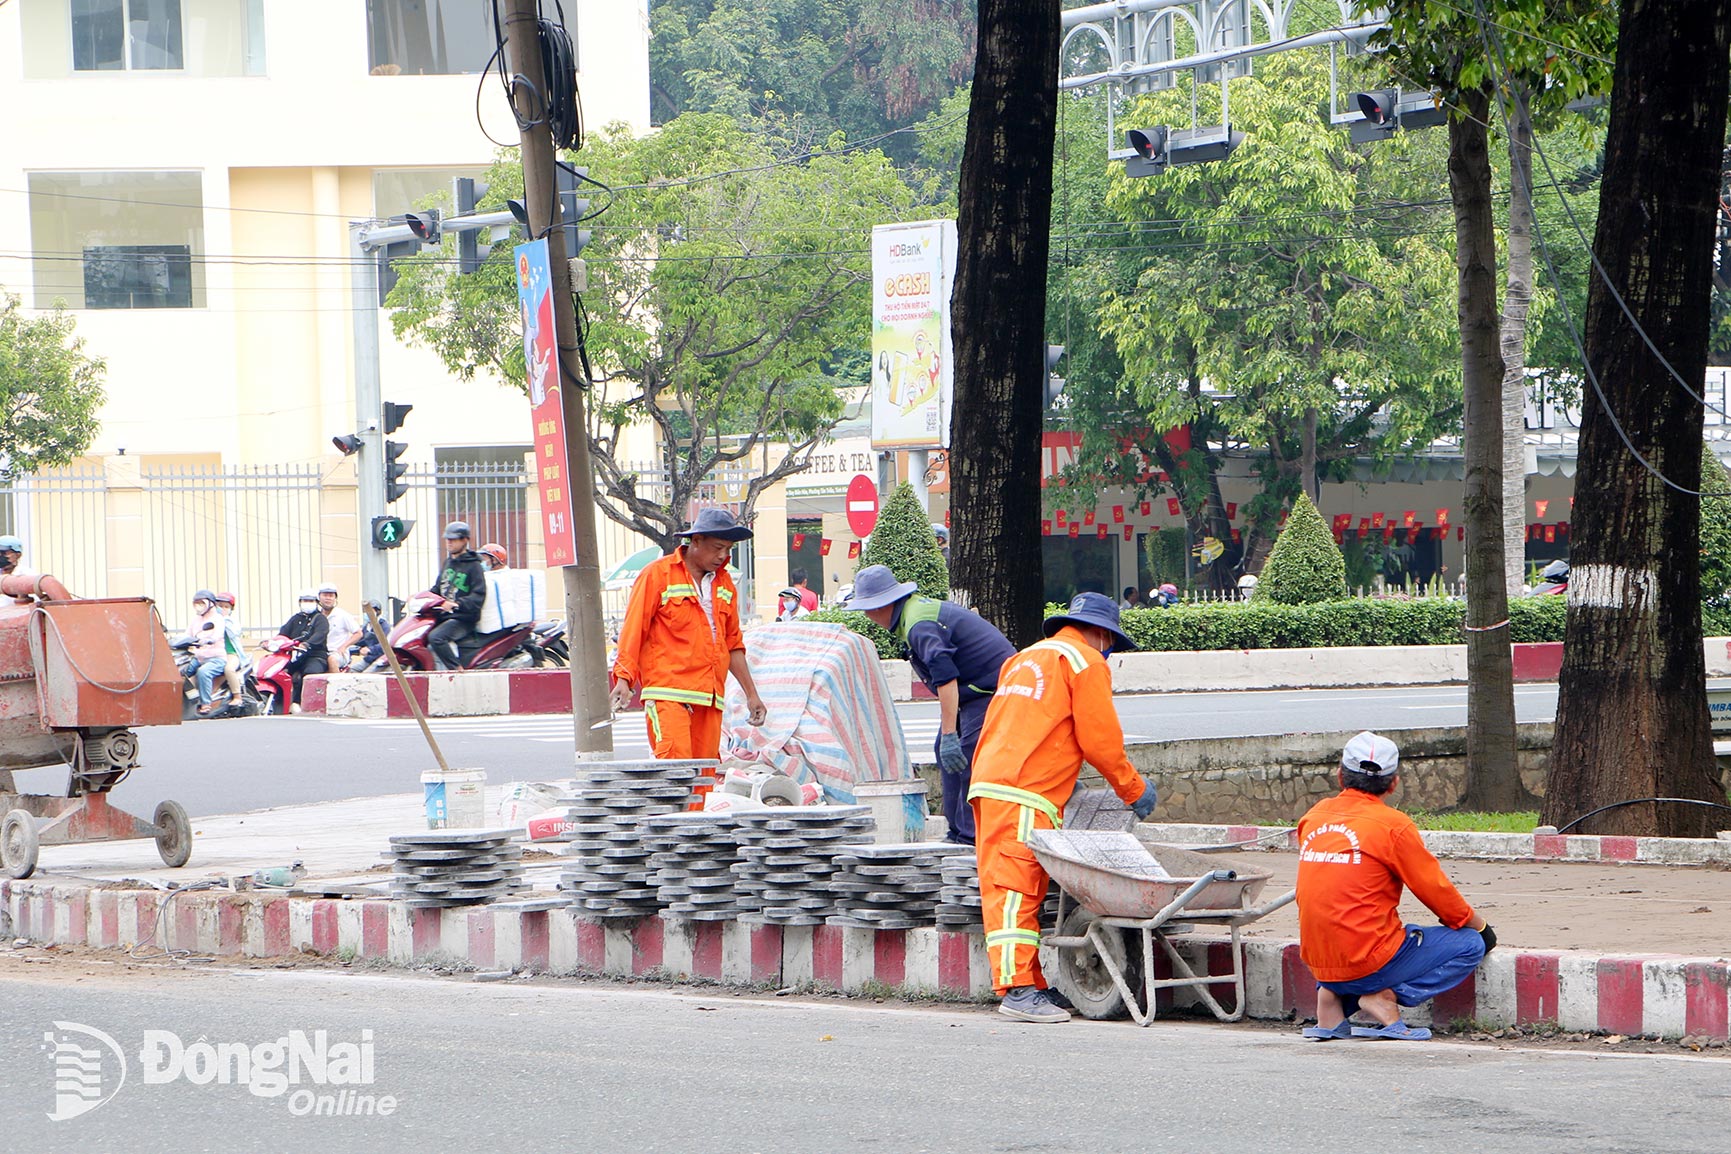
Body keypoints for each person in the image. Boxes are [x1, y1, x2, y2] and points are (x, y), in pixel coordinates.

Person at [968, 593, 1159, 1022]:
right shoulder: (1085, 661)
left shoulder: (1025, 658)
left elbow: (1029, 724)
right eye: (1111, 645)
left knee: (1013, 885)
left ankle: (1032, 983)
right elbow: (1100, 741)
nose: (1109, 653)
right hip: (1023, 789)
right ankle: (1017, 990)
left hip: (995, 782)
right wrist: (1133, 789)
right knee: (1016, 890)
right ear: (1104, 634)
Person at [1295, 731, 1495, 1041]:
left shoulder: (1313, 817)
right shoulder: (1393, 825)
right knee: (1469, 944)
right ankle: (1383, 996)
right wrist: (1479, 927)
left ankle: (1330, 1001)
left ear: (1340, 776)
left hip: (1317, 960)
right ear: (1393, 783)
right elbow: (1434, 889)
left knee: (1344, 923)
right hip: (1366, 960)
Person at [851, 564, 1015, 845]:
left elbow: (946, 679)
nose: (867, 616)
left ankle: (970, 838)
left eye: (867, 608)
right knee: (945, 751)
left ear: (881, 605)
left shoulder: (919, 625)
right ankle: (956, 831)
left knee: (967, 754)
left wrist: (951, 733)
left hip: (995, 687)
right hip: (975, 689)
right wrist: (947, 737)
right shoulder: (912, 615)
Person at [609, 508, 768, 771]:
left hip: (709, 697)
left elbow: (732, 644)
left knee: (704, 776)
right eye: (717, 548)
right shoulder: (657, 575)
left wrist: (752, 695)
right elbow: (634, 629)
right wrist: (624, 678)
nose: (723, 556)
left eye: (728, 549)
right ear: (696, 541)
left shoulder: (725, 584)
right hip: (668, 693)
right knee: (675, 772)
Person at [429, 522, 487, 670]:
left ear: (465, 540)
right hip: (444, 616)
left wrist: (457, 604)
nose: (449, 542)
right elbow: (437, 588)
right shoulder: (448, 562)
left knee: (436, 637)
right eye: (447, 539)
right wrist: (422, 597)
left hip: (463, 618)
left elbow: (478, 595)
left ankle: (457, 670)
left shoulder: (474, 566)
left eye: (453, 539)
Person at [276, 590, 329, 713]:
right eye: (305, 600)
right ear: (300, 602)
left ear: (316, 603)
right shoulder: (295, 619)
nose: (308, 603)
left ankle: (303, 704)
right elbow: (283, 634)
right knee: (280, 671)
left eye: (311, 601)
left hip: (315, 656)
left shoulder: (320, 619)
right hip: (296, 656)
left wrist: (307, 644)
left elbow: (320, 634)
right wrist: (275, 642)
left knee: (310, 674)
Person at [180, 590, 230, 716]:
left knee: (203, 672)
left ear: (210, 604)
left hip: (216, 658)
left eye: (201, 603)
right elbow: (187, 634)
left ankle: (205, 703)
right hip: (198, 657)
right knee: (180, 671)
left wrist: (209, 640)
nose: (199, 606)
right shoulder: (196, 620)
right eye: (196, 603)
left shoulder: (218, 619)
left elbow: (217, 635)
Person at [213, 592, 249, 707]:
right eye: (220, 606)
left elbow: (235, 633)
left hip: (231, 653)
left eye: (226, 607)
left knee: (228, 669)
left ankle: (237, 696)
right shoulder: (210, 620)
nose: (223, 609)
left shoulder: (232, 622)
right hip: (213, 654)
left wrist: (224, 619)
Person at [317, 583, 361, 671]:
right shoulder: (316, 616)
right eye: (325, 595)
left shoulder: (342, 615)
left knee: (332, 660)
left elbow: (358, 633)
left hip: (337, 654)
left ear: (335, 598)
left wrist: (344, 646)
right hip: (320, 653)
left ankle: (336, 679)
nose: (328, 598)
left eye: (331, 596)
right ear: (319, 597)